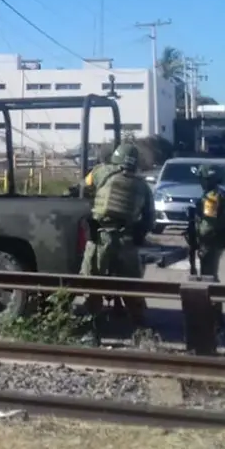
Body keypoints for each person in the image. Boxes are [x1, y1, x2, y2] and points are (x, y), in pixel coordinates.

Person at [83, 142, 154, 333]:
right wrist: (138, 234)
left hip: (101, 238)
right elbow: (149, 220)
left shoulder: (101, 172)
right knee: (131, 286)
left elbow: (84, 187)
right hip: (126, 241)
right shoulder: (143, 186)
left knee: (92, 282)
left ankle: (93, 330)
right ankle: (140, 329)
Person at [194, 164, 225, 280]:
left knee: (208, 273)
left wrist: (200, 237)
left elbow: (208, 223)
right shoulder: (218, 193)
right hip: (218, 236)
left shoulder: (211, 197)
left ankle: (211, 290)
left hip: (211, 239)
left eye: (201, 179)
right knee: (211, 270)